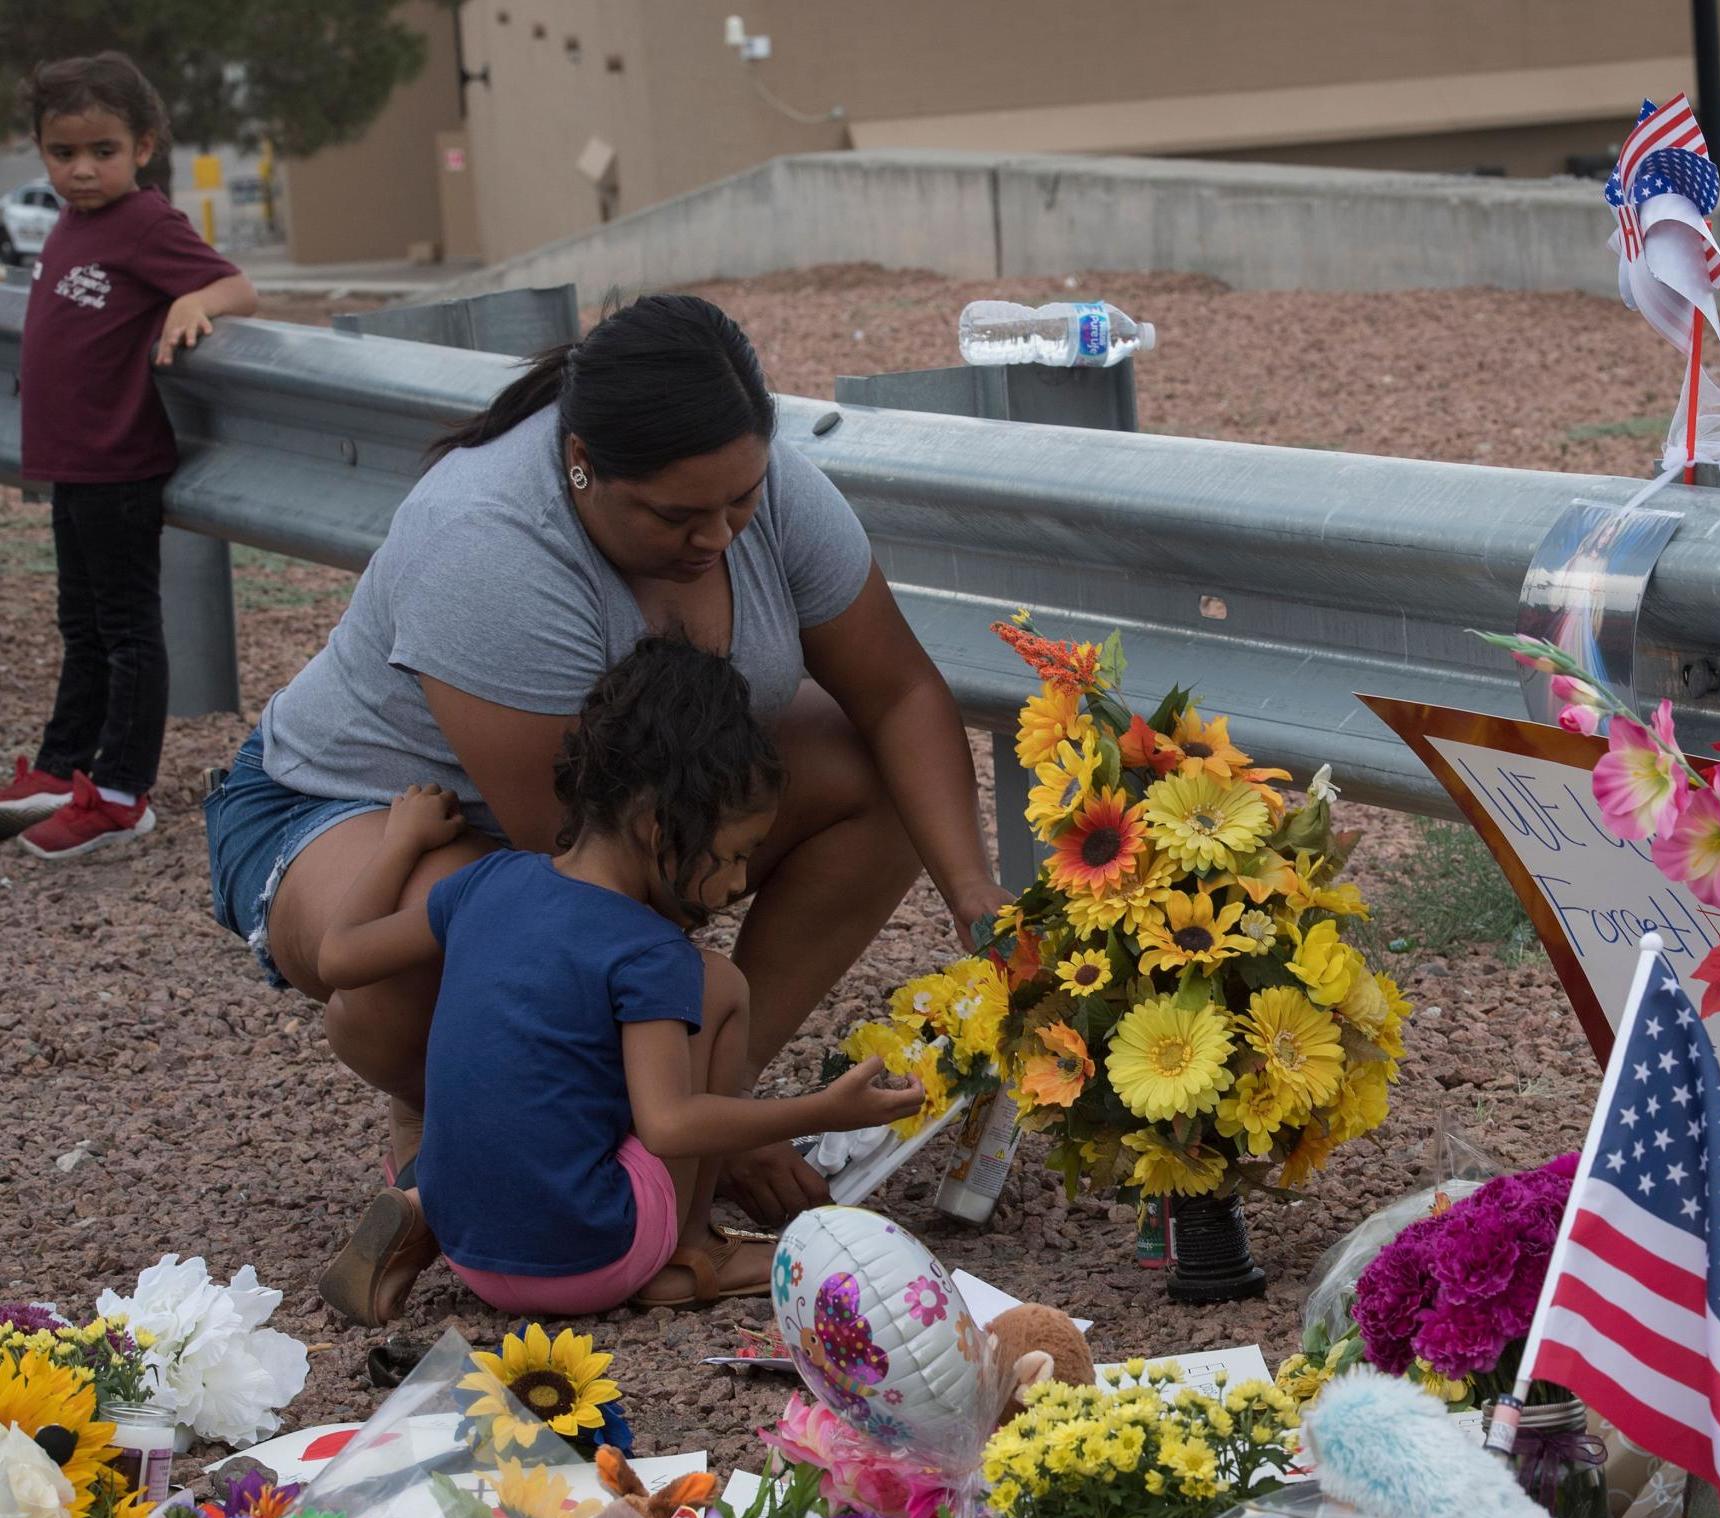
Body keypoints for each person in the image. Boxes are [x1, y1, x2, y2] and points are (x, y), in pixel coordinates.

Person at [202, 292, 1003, 1222]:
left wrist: (973, 896)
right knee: (426, 974)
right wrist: (713, 1112)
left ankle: (690, 1103)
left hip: (604, 822)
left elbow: (898, 693)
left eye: (739, 502)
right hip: (361, 808)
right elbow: (580, 881)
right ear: (581, 466)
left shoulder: (761, 489)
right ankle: (478, 1113)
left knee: (875, 777)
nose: (717, 538)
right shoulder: (490, 542)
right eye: (677, 517)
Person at [313, 638, 926, 1324]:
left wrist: (401, 843)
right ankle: (692, 1251)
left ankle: (428, 1201)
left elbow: (337, 955)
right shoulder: (651, 950)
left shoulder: (487, 881)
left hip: (469, 1250)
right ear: (657, 827)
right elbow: (668, 1124)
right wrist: (822, 1109)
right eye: (731, 855)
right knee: (718, 983)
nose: (738, 883)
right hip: (591, 1261)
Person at [1, 52, 257, 857]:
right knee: (79, 623)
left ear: (143, 146)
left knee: (125, 631)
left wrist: (191, 300)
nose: (82, 170)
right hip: (74, 464)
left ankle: (119, 793)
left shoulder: (146, 221)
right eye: (64, 152)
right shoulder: (73, 224)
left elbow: (235, 287)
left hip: (119, 464)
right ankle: (60, 767)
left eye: (102, 151)